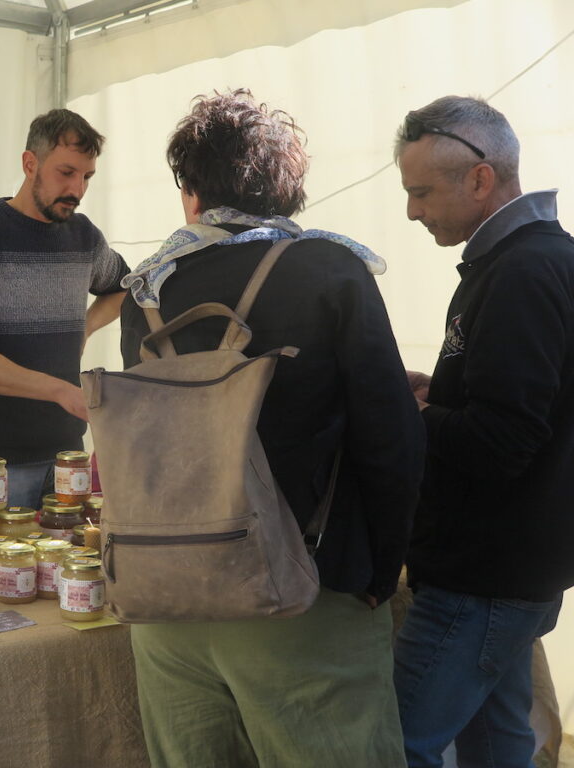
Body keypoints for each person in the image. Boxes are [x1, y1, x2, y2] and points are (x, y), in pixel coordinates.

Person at [119, 89, 424, 768]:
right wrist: (383, 567)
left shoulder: (147, 291)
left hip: (170, 601)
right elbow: (392, 440)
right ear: (289, 193)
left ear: (190, 190)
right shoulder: (329, 269)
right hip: (299, 593)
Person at [392, 96, 574, 768]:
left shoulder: (524, 272)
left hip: (483, 575)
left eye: (420, 192)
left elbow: (504, 442)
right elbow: (534, 407)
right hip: (511, 567)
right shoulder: (528, 261)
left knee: (396, 745)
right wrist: (445, 395)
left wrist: (414, 416)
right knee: (497, 745)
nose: (413, 210)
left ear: (478, 179)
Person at [0, 109, 128, 508]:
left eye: (87, 177)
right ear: (29, 163)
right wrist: (59, 390)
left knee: (71, 571)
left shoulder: (84, 236)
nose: (77, 188)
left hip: (66, 458)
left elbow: (127, 289)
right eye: (66, 172)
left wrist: (85, 328)